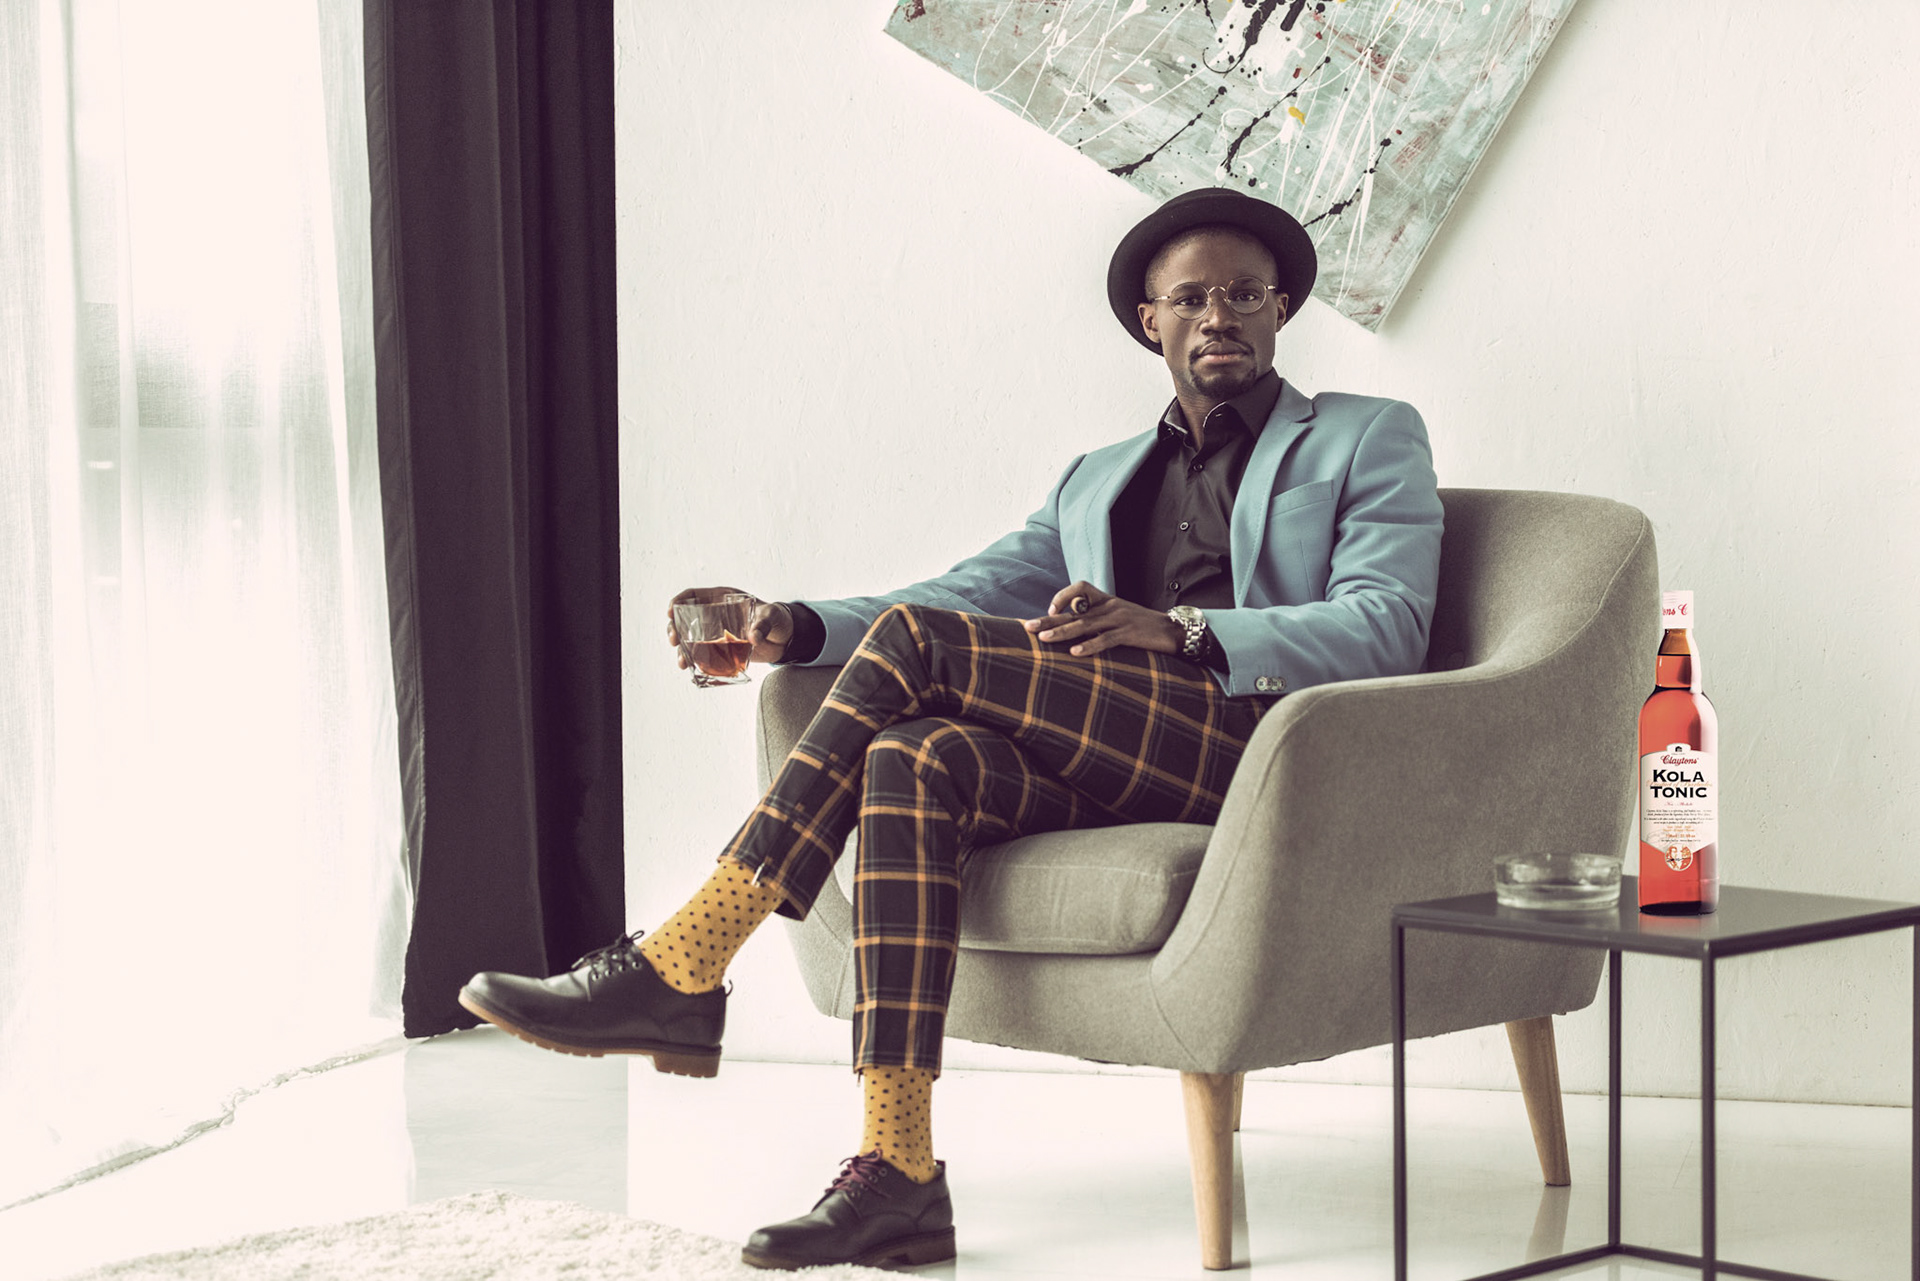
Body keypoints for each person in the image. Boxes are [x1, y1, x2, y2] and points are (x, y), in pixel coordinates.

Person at [458, 187, 1443, 1271]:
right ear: (1148, 322)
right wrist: (785, 626)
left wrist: (1176, 629)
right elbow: (964, 592)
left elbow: (1386, 627)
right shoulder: (1095, 481)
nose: (1222, 316)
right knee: (910, 756)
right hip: (1108, 752)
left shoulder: (1364, 435)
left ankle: (687, 958)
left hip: (1252, 752)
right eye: (1193, 298)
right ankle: (899, 1170)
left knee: (926, 648)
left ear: (1283, 308)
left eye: (1247, 295)